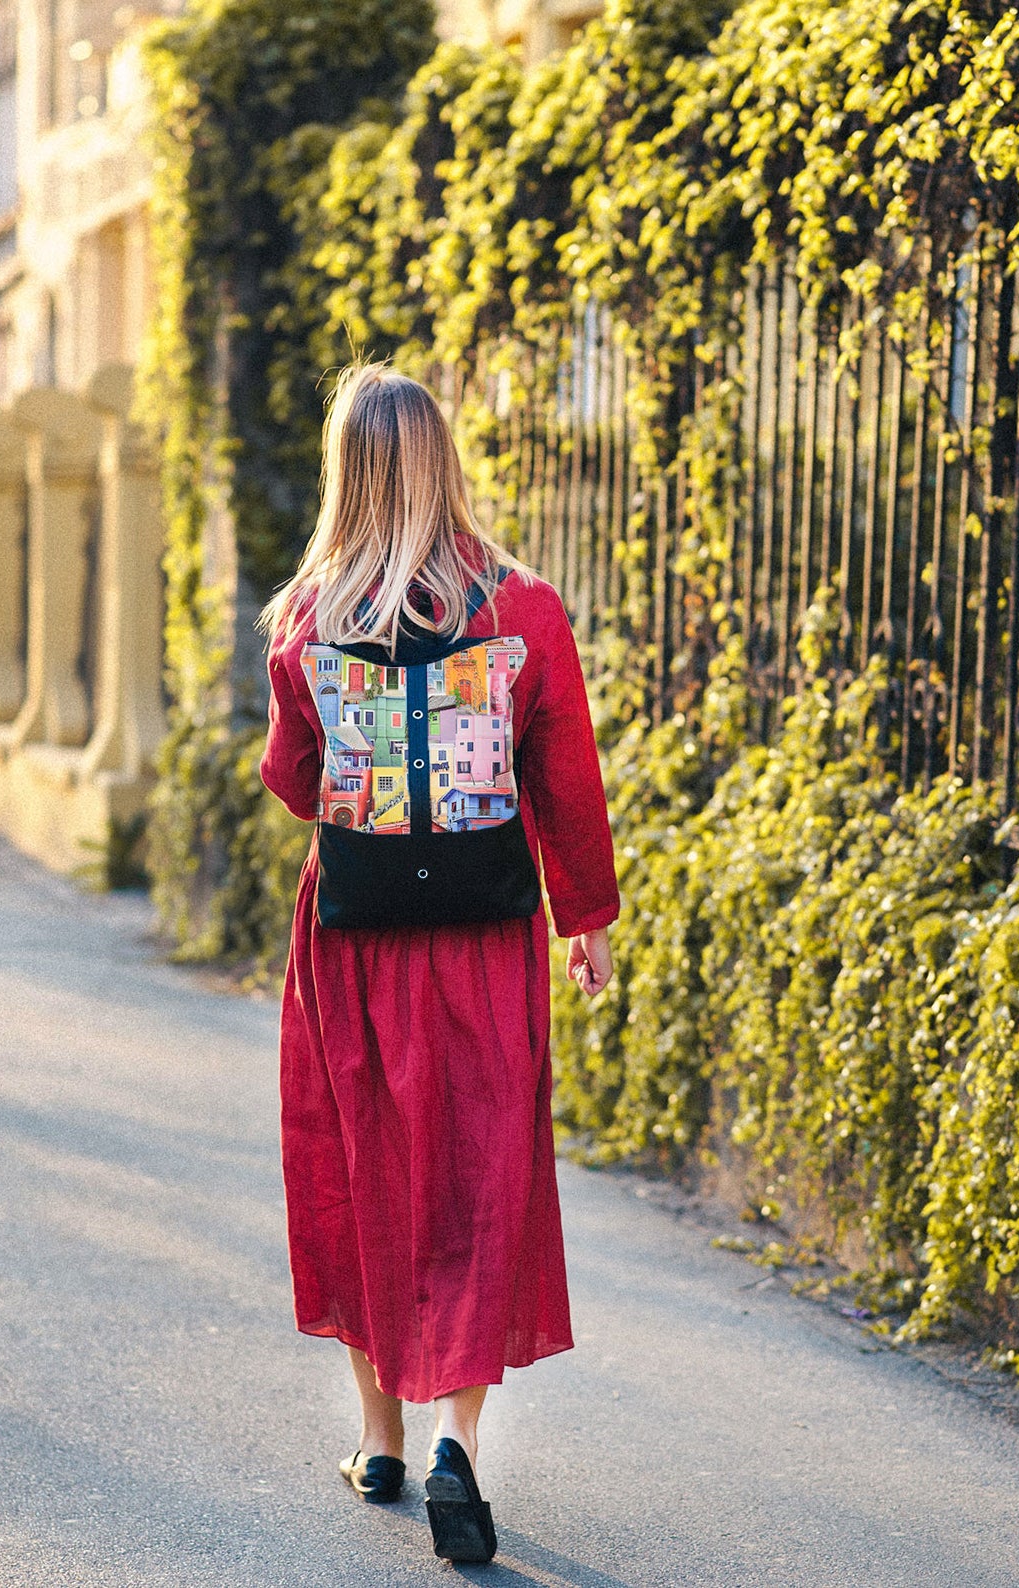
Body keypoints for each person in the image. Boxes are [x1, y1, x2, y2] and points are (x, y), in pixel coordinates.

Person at [258, 362, 618, 1565]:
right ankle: (458, 1439)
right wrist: (587, 917)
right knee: (479, 1175)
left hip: (355, 944)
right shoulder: (525, 609)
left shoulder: (309, 621)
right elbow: (563, 780)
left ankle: (381, 1440)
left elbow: (292, 778)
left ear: (345, 474)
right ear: (444, 462)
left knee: (358, 1166)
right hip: (486, 935)